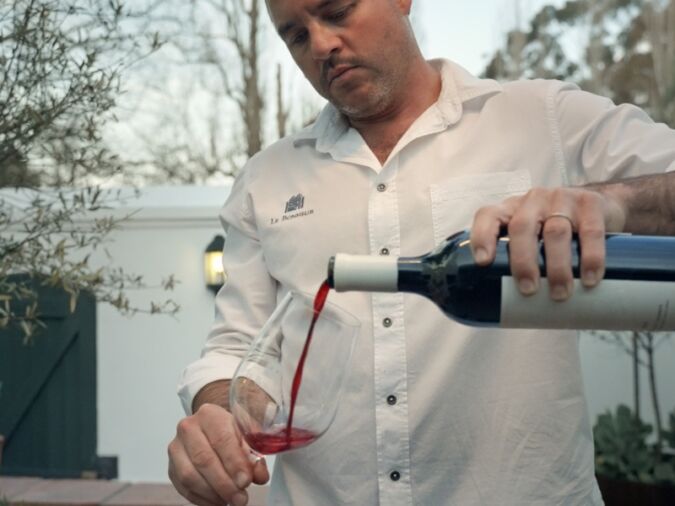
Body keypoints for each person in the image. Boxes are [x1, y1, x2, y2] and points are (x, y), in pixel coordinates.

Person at [168, 0, 675, 504]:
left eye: (338, 11)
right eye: (296, 36)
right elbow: (237, 346)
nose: (321, 44)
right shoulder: (266, 179)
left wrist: (614, 201)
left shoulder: (543, 118)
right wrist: (218, 415)